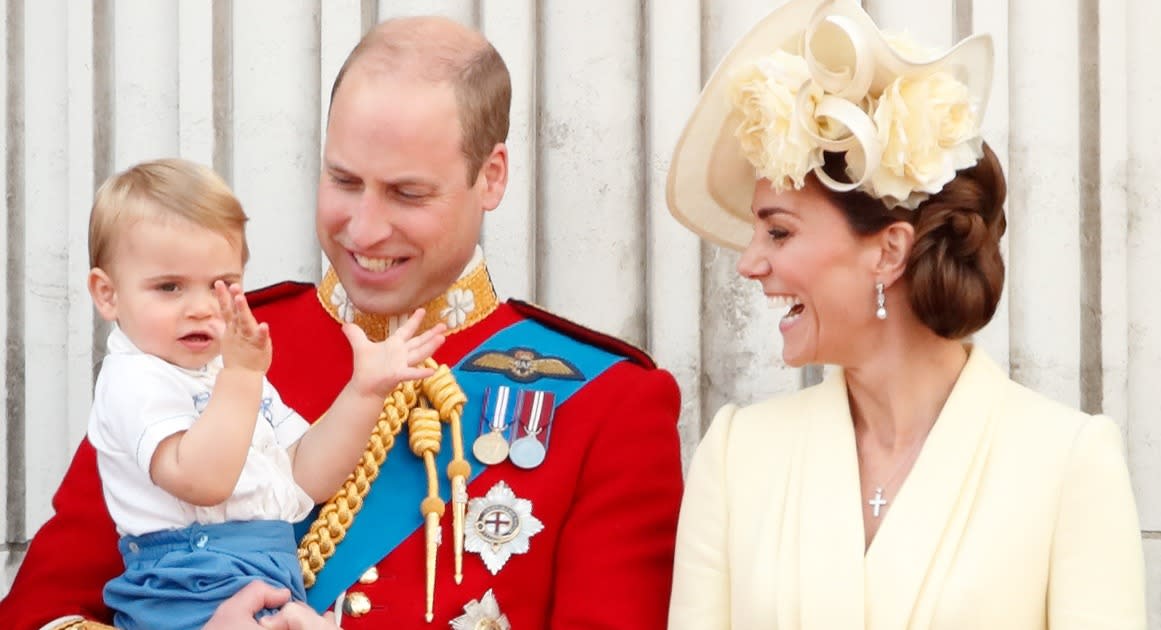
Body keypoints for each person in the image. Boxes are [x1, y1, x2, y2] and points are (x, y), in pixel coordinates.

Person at [0, 15, 684, 630]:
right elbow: (39, 614)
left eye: (408, 193)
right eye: (344, 182)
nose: (364, 228)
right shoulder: (202, 346)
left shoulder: (606, 403)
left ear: (492, 176)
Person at [664, 0, 1147, 628]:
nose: (749, 264)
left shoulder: (1068, 462)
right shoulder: (735, 457)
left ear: (889, 250)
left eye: (778, 234)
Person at [83, 158, 445, 629]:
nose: (201, 308)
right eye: (169, 287)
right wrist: (241, 376)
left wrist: (364, 392)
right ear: (107, 294)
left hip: (261, 571)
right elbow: (199, 479)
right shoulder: (135, 378)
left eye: (223, 285)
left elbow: (305, 474)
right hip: (188, 587)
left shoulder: (225, 368)